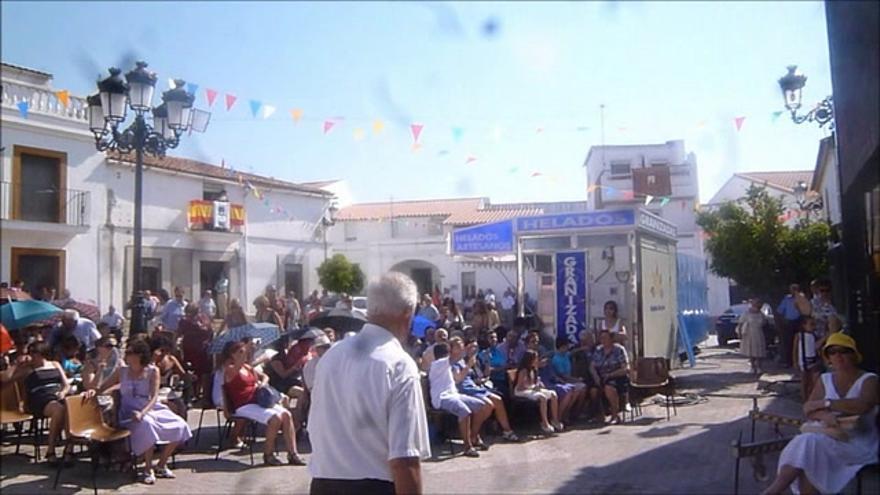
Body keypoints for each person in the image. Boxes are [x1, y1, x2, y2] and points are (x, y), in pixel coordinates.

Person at [309, 272, 431, 495]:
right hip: (373, 486)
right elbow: (404, 458)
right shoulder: (400, 365)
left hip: (323, 483)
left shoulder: (331, 356)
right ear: (407, 314)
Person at [762, 333, 878, 495]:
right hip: (829, 436)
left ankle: (773, 491)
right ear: (828, 357)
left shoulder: (869, 379)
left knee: (809, 444)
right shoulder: (826, 379)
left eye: (843, 351)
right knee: (809, 454)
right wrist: (825, 416)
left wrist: (826, 403)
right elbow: (808, 409)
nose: (838, 356)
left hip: (857, 442)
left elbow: (862, 406)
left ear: (853, 354)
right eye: (832, 352)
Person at [84, 340, 192, 484]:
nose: (127, 356)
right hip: (129, 411)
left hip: (148, 407)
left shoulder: (153, 370)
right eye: (127, 353)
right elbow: (102, 387)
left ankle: (161, 464)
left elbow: (154, 396)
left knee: (180, 425)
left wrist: (143, 412)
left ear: (140, 355)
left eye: (131, 353)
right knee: (146, 425)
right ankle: (148, 469)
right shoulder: (121, 371)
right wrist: (93, 389)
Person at [222, 341, 305, 466]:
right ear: (232, 355)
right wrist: (247, 353)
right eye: (240, 352)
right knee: (275, 419)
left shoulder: (247, 367)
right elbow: (237, 367)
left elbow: (264, 376)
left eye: (244, 352)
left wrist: (263, 383)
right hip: (243, 405)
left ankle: (293, 453)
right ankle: (268, 454)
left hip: (258, 400)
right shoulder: (230, 369)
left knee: (287, 414)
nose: (244, 354)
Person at [8, 342, 70, 465]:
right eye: (30, 353)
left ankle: (69, 449)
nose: (31, 356)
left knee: (69, 408)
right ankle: (51, 450)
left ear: (42, 354)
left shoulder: (55, 364)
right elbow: (8, 378)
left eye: (34, 353)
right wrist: (17, 365)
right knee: (59, 409)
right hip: (39, 399)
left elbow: (66, 384)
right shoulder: (28, 369)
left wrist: (63, 392)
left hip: (56, 395)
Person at [429, 342, 493, 457]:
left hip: (454, 395)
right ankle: (467, 446)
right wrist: (467, 352)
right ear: (446, 353)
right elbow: (455, 358)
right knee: (464, 411)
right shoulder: (438, 364)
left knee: (482, 405)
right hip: (442, 398)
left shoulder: (446, 366)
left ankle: (474, 436)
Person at [451, 338, 519, 442]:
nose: (461, 348)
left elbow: (481, 375)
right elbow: (458, 379)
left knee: (498, 400)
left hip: (474, 387)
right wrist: (469, 365)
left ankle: (507, 431)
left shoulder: (463, 361)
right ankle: (473, 435)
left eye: (461, 345)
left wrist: (485, 363)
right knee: (488, 405)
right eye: (457, 346)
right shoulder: (452, 363)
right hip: (464, 390)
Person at [514, 349, 562, 434]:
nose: (537, 360)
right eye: (535, 358)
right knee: (542, 397)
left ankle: (555, 420)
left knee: (553, 394)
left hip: (531, 389)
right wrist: (532, 388)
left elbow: (534, 382)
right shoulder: (523, 371)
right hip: (521, 391)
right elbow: (520, 386)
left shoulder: (534, 369)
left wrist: (538, 385)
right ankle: (545, 423)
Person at [592, 330, 630, 424]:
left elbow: (625, 368)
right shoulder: (598, 350)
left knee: (609, 388)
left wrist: (610, 375)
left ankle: (615, 415)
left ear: (611, 339)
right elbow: (592, 366)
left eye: (605, 338)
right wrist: (595, 376)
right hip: (602, 377)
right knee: (593, 390)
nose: (603, 340)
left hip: (617, 377)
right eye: (601, 338)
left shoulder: (619, 349)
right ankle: (600, 415)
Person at [178, 302, 213, 402]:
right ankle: (191, 393)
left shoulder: (203, 318)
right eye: (187, 313)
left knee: (202, 372)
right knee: (189, 370)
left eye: (191, 314)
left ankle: (201, 394)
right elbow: (179, 332)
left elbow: (209, 331)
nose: (189, 316)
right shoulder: (184, 321)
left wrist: (197, 325)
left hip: (202, 349)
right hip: (189, 349)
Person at [777, 284, 809, 368]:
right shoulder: (786, 299)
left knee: (800, 342)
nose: (794, 291)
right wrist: (784, 320)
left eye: (795, 289)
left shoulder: (802, 298)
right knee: (789, 342)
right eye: (792, 289)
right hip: (790, 322)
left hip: (800, 321)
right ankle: (789, 362)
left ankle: (800, 360)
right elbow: (780, 311)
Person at [794, 316, 822, 402]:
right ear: (804, 325)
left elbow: (816, 347)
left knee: (813, 381)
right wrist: (795, 361)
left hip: (813, 360)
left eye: (814, 324)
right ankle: (804, 398)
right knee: (804, 381)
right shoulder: (799, 335)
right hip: (803, 361)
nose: (814, 327)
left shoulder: (814, 335)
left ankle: (812, 398)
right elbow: (795, 349)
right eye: (811, 324)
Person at [737, 298, 767, 375]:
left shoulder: (761, 314)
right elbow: (740, 323)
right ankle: (753, 367)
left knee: (759, 350)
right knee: (751, 350)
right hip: (749, 334)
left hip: (759, 333)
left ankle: (759, 367)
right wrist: (739, 333)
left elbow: (764, 322)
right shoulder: (746, 313)